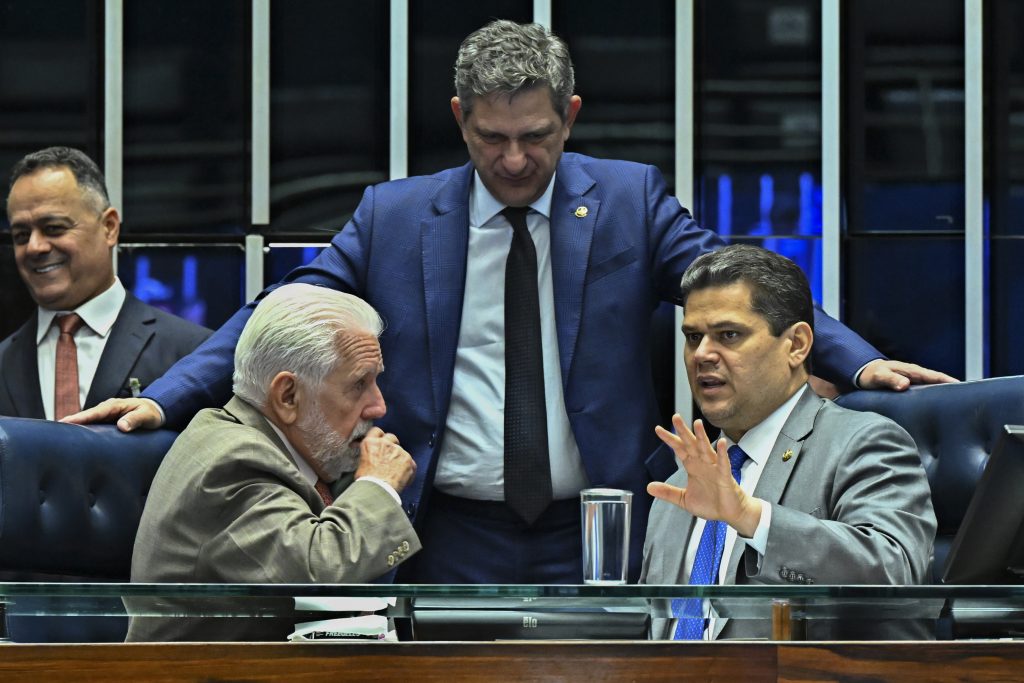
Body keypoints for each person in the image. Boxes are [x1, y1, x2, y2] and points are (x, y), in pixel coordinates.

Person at [70, 20, 953, 584]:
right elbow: (282, 309)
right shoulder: (396, 216)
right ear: (459, 118)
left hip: (602, 526)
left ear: (570, 114)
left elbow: (731, 274)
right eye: (492, 139)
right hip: (444, 531)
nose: (516, 160)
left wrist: (854, 356)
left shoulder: (628, 199)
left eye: (536, 137)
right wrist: (166, 395)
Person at [640, 245, 936, 640]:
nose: (702, 355)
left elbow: (894, 572)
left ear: (796, 344)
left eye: (729, 335)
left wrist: (752, 516)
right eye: (694, 336)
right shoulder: (682, 482)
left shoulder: (863, 443)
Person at [125, 283, 419, 642]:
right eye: (359, 384)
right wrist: (379, 486)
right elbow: (318, 572)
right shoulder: (233, 460)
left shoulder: (282, 446)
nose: (379, 406)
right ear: (288, 395)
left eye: (376, 381)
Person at [0, 146, 210, 420]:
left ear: (109, 227)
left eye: (54, 228)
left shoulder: (192, 354)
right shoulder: (3, 364)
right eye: (21, 235)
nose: (34, 247)